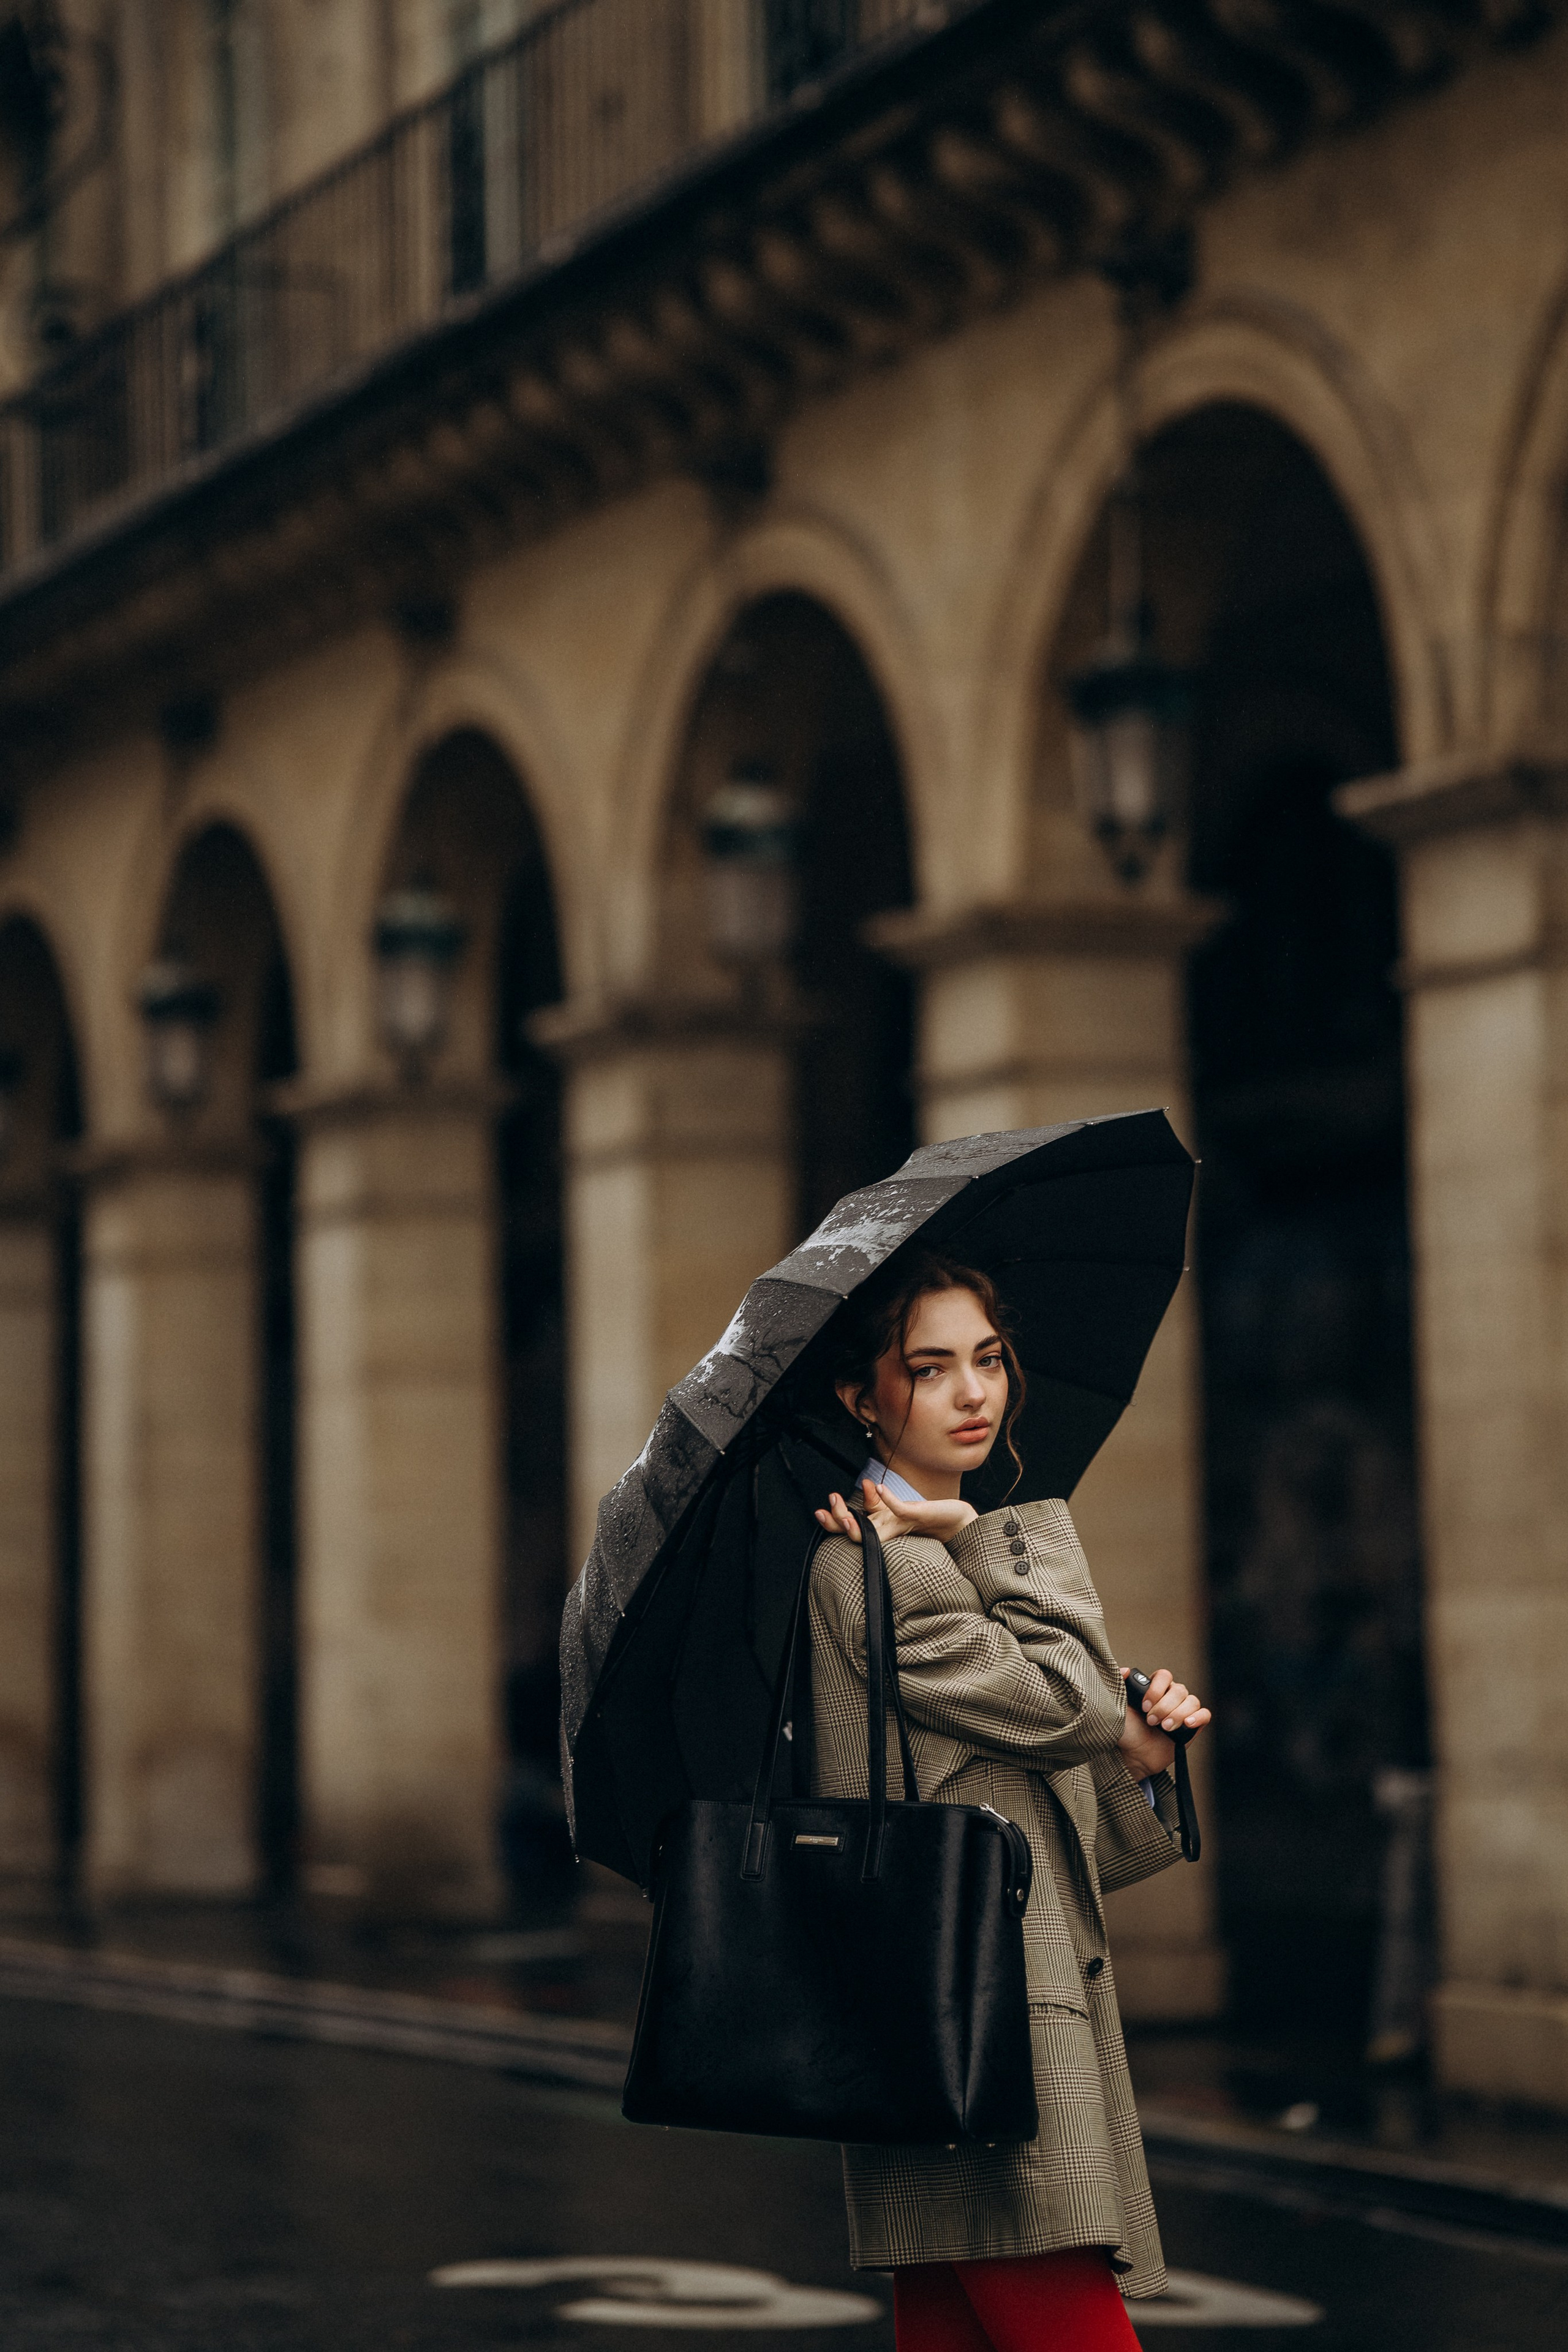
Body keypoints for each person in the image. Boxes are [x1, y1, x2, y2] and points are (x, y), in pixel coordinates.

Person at [811, 1250, 1210, 2352]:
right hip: (981, 2035)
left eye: (986, 1359)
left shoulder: (926, 1560)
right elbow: (1067, 1697)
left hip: (957, 2022)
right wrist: (978, 1534)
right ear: (864, 1397)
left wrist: (1138, 1762)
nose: (975, 1392)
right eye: (930, 1369)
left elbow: (1062, 1816)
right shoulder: (877, 1572)